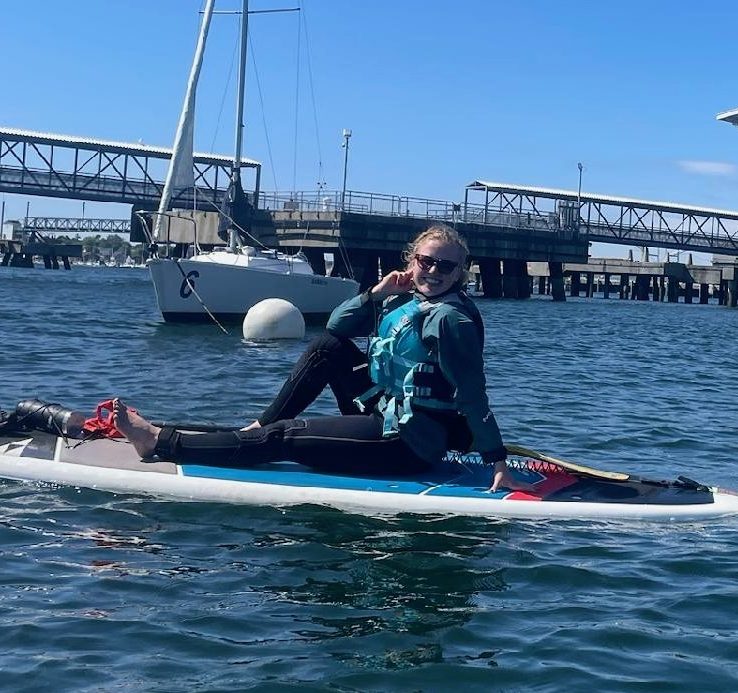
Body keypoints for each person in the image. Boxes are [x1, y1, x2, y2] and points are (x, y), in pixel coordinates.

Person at [114, 224, 512, 490]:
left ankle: (158, 443)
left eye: (446, 266)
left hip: (409, 443)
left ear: (460, 273)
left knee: (287, 437)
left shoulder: (450, 320)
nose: (434, 271)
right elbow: (338, 327)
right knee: (326, 349)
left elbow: (473, 395)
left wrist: (497, 460)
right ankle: (257, 428)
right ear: (411, 261)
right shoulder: (408, 301)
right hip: (386, 410)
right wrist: (376, 294)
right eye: (426, 261)